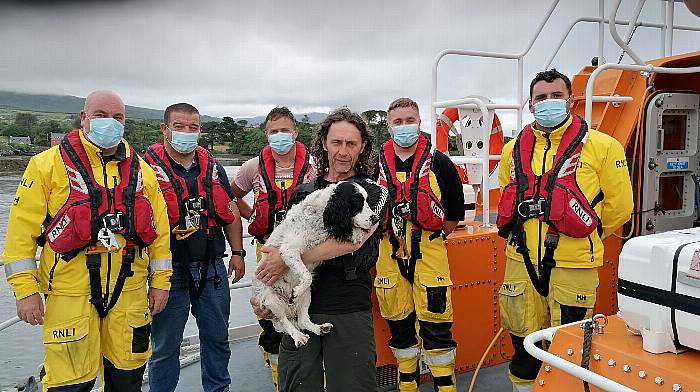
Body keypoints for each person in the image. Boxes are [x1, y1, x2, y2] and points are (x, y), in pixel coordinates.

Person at [3, 90, 172, 391]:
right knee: (69, 383)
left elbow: (160, 235)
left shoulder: (143, 172)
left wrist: (160, 282)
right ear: (83, 118)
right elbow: (19, 236)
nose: (110, 122)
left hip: (130, 292)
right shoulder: (44, 166)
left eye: (117, 117)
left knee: (127, 379)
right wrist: (25, 291)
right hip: (70, 295)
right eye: (100, 115)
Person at [496, 69, 633, 392]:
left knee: (571, 353)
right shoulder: (511, 150)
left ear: (571, 100)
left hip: (574, 267)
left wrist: (585, 235)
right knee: (524, 349)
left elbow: (620, 207)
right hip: (520, 264)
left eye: (556, 96)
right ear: (530, 105)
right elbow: (508, 193)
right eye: (541, 98)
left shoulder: (603, 147)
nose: (548, 103)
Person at [253, 108, 387, 392]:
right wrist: (265, 294)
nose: (343, 151)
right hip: (297, 308)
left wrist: (285, 261)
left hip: (347, 305)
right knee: (296, 385)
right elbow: (284, 242)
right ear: (324, 142)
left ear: (363, 146)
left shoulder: (374, 192)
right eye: (336, 142)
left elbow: (354, 241)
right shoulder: (304, 192)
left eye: (351, 143)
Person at [146, 103, 244, 392]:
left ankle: (218, 389)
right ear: (165, 128)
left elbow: (231, 210)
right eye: (179, 126)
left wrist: (237, 253)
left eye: (193, 127)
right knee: (165, 347)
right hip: (167, 273)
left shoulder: (213, 168)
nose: (187, 132)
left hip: (212, 267)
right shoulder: (146, 171)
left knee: (217, 338)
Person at [374, 98, 465, 392]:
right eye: (398, 122)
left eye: (409, 120)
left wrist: (425, 235)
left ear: (420, 123)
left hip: (430, 253)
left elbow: (452, 216)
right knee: (399, 326)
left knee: (437, 327)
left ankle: (446, 387)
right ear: (388, 126)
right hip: (388, 253)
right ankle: (408, 385)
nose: (404, 127)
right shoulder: (373, 166)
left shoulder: (441, 163)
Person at [232, 107, 315, 389]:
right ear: (266, 134)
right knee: (271, 315)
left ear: (296, 132)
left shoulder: (314, 166)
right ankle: (280, 379)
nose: (280, 136)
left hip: (305, 253)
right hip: (266, 250)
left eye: (285, 130)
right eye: (273, 131)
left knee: (307, 306)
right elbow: (232, 196)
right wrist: (252, 217)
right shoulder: (252, 168)